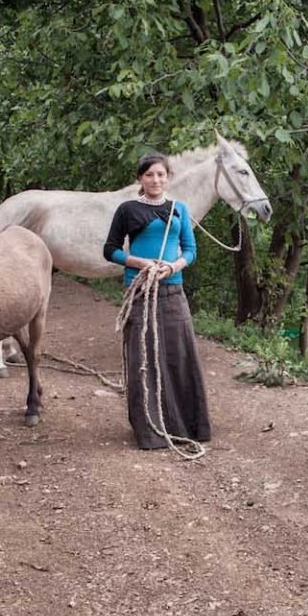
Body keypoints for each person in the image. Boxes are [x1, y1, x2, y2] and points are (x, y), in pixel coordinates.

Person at [103, 151, 211, 450]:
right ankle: (149, 430)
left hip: (173, 290)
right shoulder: (127, 210)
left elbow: (190, 250)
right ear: (140, 179)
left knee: (179, 354)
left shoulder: (180, 210)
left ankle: (187, 425)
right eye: (149, 174)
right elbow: (110, 250)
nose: (155, 180)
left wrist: (172, 267)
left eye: (161, 174)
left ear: (168, 178)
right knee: (143, 357)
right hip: (140, 290)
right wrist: (138, 262)